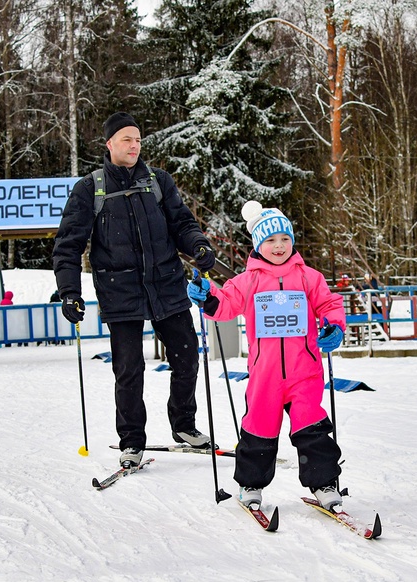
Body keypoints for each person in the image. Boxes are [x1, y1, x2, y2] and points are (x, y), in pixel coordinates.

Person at [52, 110, 217, 469]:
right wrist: (69, 291)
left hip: (166, 284)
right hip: (119, 290)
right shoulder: (90, 188)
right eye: (127, 139)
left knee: (187, 356)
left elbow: (182, 223)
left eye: (138, 139)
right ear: (110, 143)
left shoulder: (158, 181)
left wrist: (198, 245)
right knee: (129, 369)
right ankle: (131, 440)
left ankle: (184, 425)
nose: (134, 145)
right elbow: (68, 244)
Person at [187, 201, 347, 511]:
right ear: (259, 244)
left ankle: (325, 483)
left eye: (285, 239)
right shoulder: (248, 281)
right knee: (258, 428)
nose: (279, 246)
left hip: (305, 372)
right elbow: (225, 306)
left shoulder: (309, 278)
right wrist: (207, 296)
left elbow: (329, 306)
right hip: (266, 374)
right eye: (271, 240)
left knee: (311, 427)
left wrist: (335, 328)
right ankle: (251, 483)